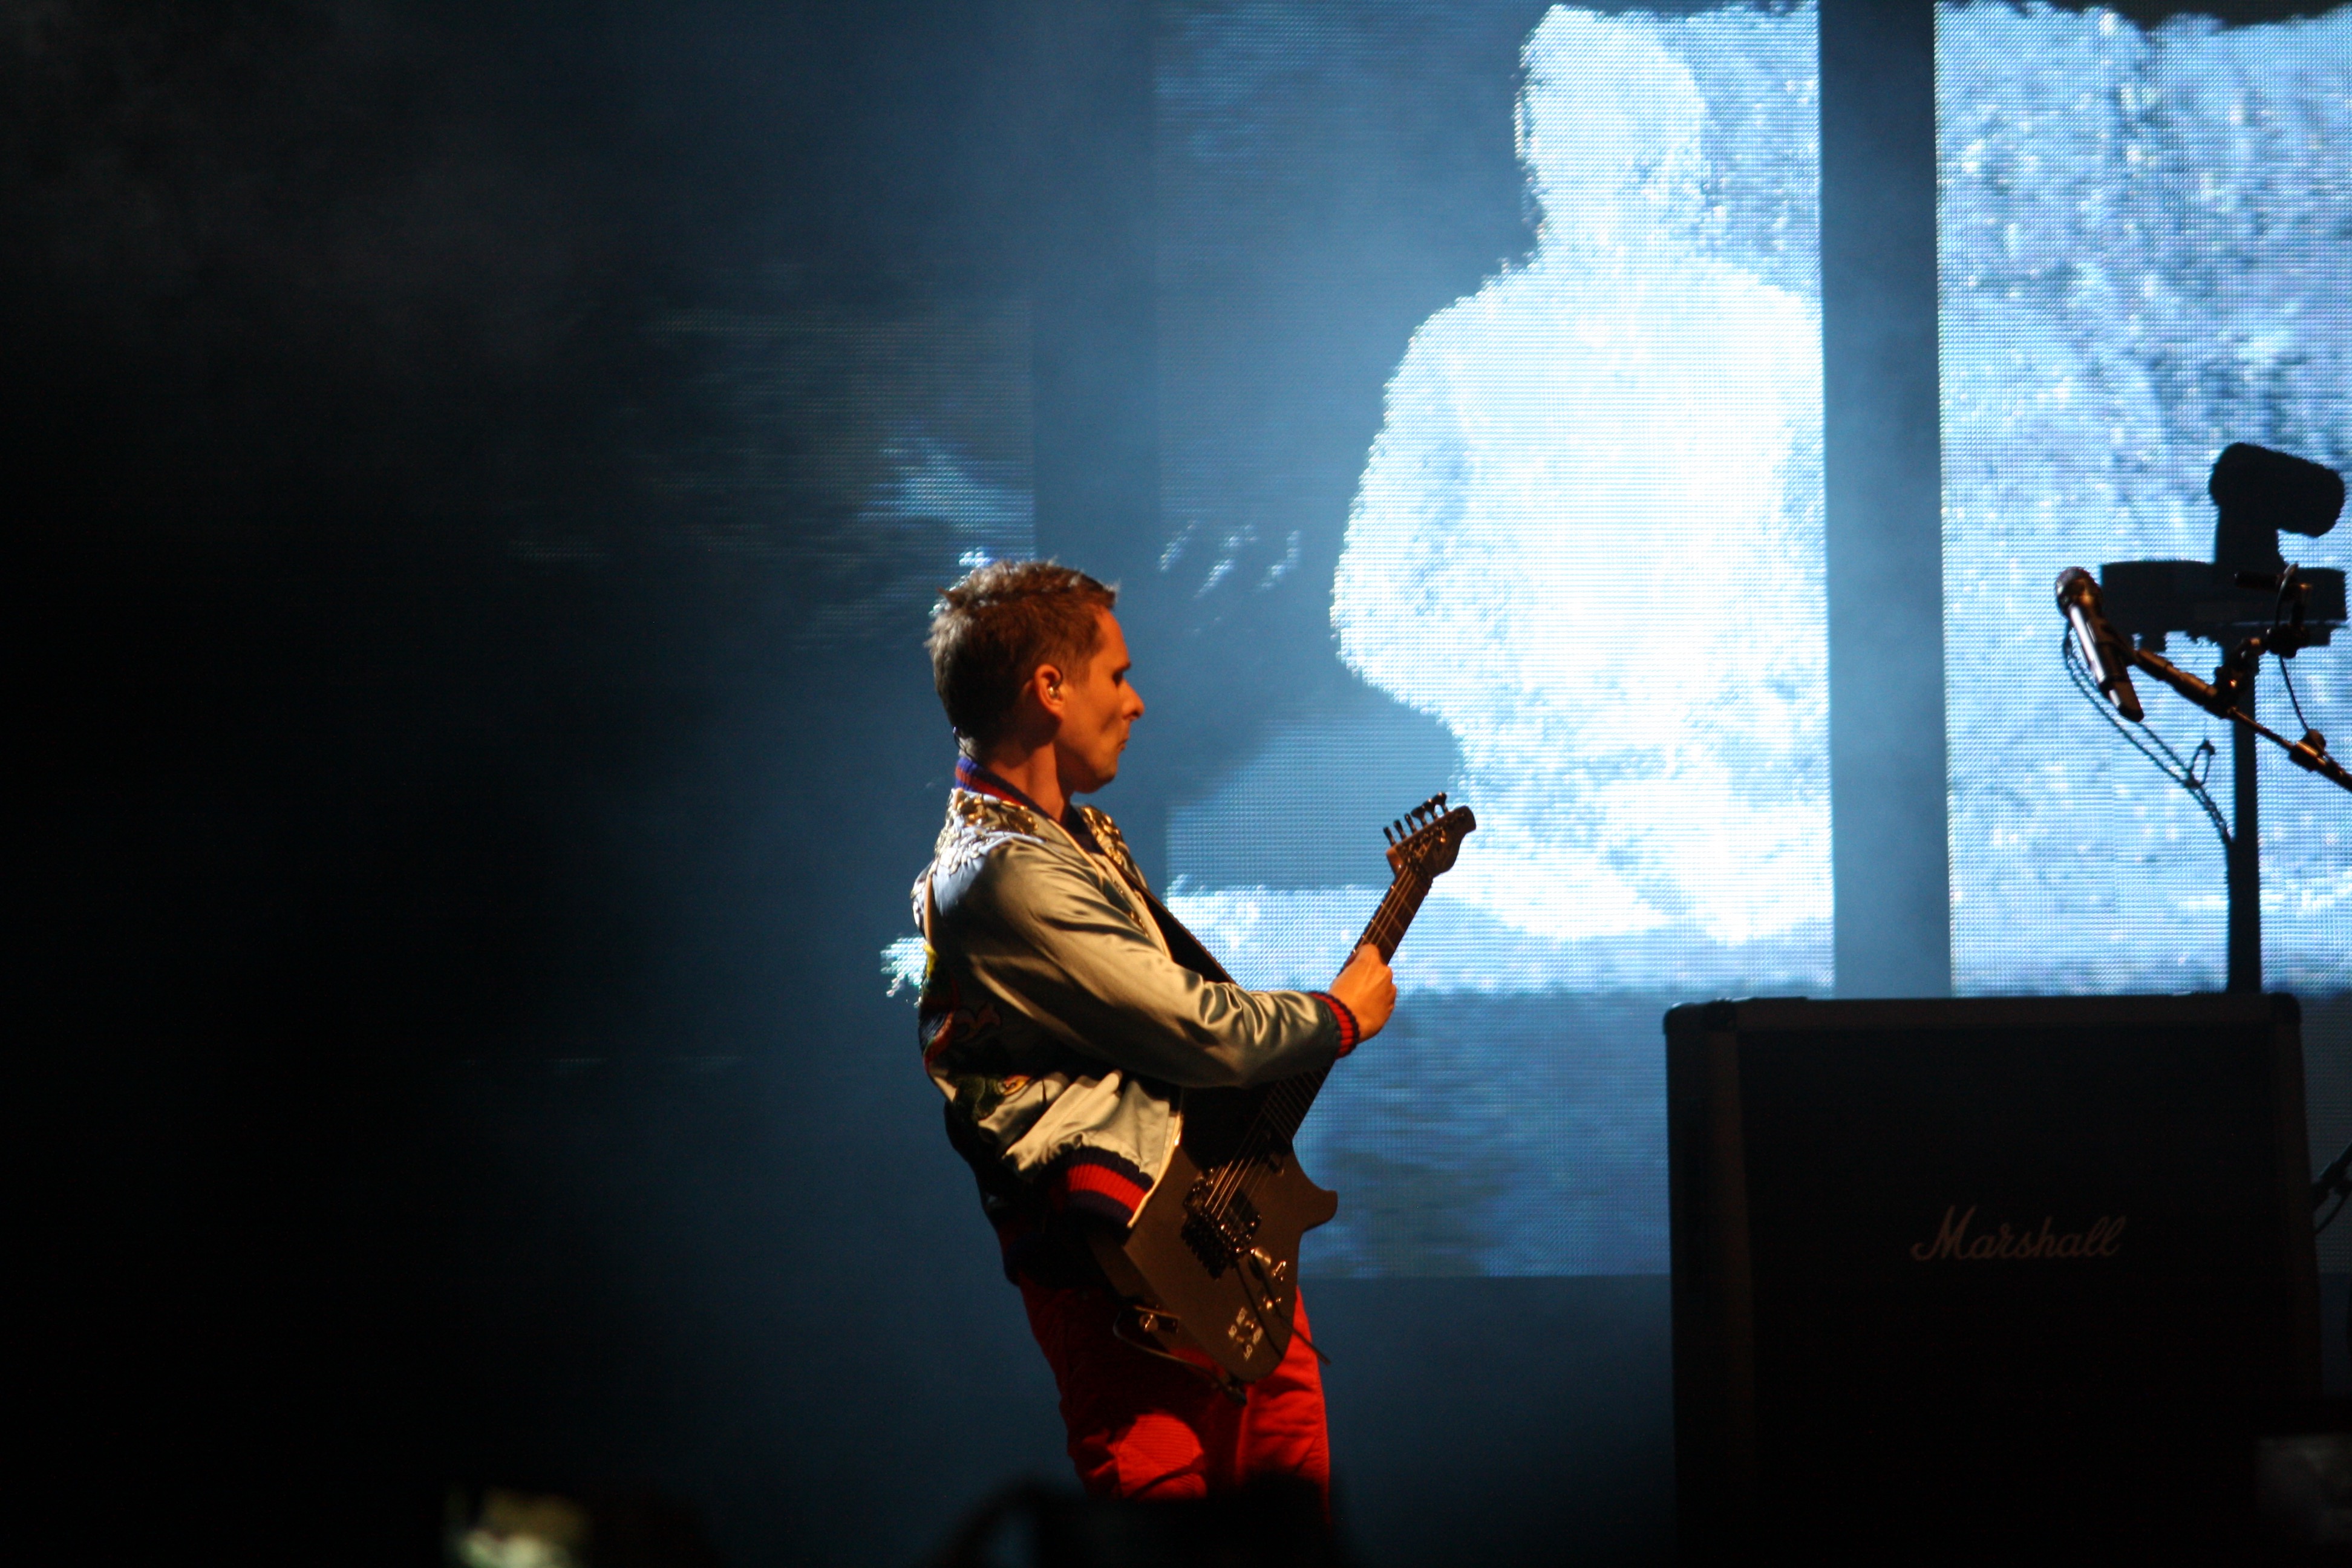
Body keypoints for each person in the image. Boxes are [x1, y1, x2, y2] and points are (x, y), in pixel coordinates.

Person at [909, 559, 1396, 1502]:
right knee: (1163, 1506)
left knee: (1291, 1497)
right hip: (1116, 1266)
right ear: (1049, 688)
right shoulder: (1000, 874)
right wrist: (1336, 1017)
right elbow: (1187, 1026)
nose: (1135, 703)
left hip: (1201, 1229)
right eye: (1118, 675)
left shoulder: (1079, 839)